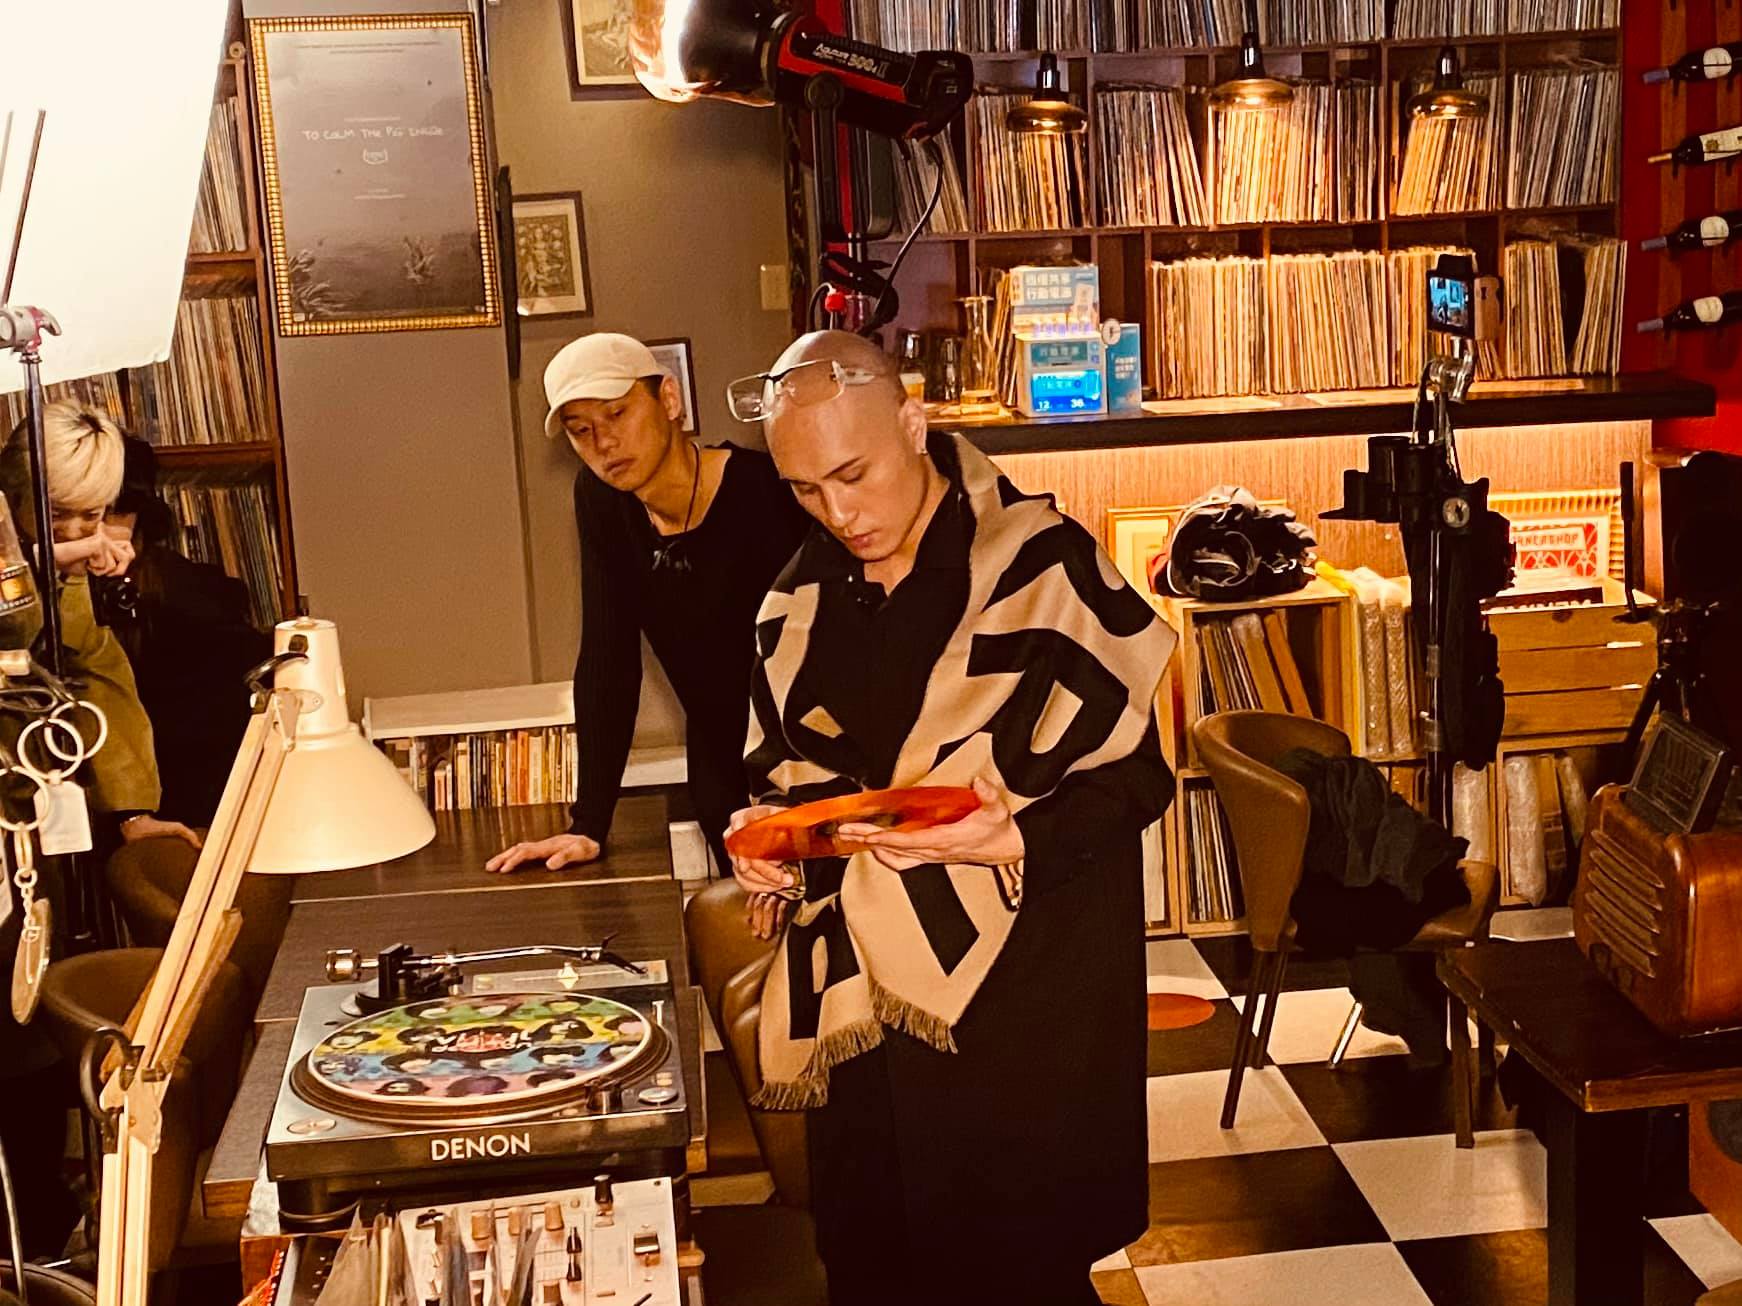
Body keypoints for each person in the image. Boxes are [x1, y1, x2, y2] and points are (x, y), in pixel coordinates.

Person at [725, 331, 1176, 1305]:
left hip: (1021, 1008)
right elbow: (798, 788)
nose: (838, 513)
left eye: (853, 475)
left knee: (1019, 1277)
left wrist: (1014, 835)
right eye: (804, 490)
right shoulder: (797, 602)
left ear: (911, 421)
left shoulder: (1040, 567)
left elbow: (1141, 782)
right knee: (874, 1270)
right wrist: (770, 842)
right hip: (865, 1016)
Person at [487, 334, 809, 876]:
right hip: (719, 772)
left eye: (617, 413)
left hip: (809, 759)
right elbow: (607, 657)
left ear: (669, 399)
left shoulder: (768, 491)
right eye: (580, 430)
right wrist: (588, 824)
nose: (604, 442)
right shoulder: (601, 501)